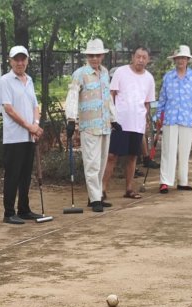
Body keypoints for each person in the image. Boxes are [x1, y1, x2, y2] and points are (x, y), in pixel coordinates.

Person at [65, 39, 119, 213]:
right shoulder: (80, 74)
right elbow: (72, 95)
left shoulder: (104, 73)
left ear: (102, 56)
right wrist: (71, 119)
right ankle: (95, 199)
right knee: (92, 163)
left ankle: (94, 196)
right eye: (91, 55)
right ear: (87, 56)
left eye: (97, 55)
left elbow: (107, 98)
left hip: (104, 125)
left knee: (102, 162)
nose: (94, 58)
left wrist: (114, 118)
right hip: (89, 125)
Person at [102, 47, 156, 200]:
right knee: (112, 156)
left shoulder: (149, 78)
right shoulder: (121, 72)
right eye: (138, 56)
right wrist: (111, 117)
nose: (140, 60)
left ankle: (129, 188)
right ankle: (102, 189)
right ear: (132, 57)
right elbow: (111, 94)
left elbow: (147, 103)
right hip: (119, 122)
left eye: (144, 57)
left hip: (137, 122)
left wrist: (145, 120)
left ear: (148, 60)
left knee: (132, 157)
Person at [0, 45, 43, 225]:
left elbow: (35, 106)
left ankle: (24, 209)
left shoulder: (30, 80)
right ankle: (9, 212)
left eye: (22, 59)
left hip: (29, 136)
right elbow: (8, 108)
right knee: (13, 174)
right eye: (16, 59)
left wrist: (36, 125)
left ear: (27, 61)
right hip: (14, 136)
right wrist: (28, 126)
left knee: (26, 174)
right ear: (10, 61)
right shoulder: (6, 80)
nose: (20, 62)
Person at [156, 45, 192, 194]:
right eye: (178, 58)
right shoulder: (168, 77)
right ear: (174, 60)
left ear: (188, 60)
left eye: (184, 58)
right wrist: (158, 115)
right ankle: (165, 181)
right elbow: (162, 98)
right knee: (168, 150)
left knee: (184, 150)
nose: (181, 60)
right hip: (170, 117)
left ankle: (183, 181)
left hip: (187, 116)